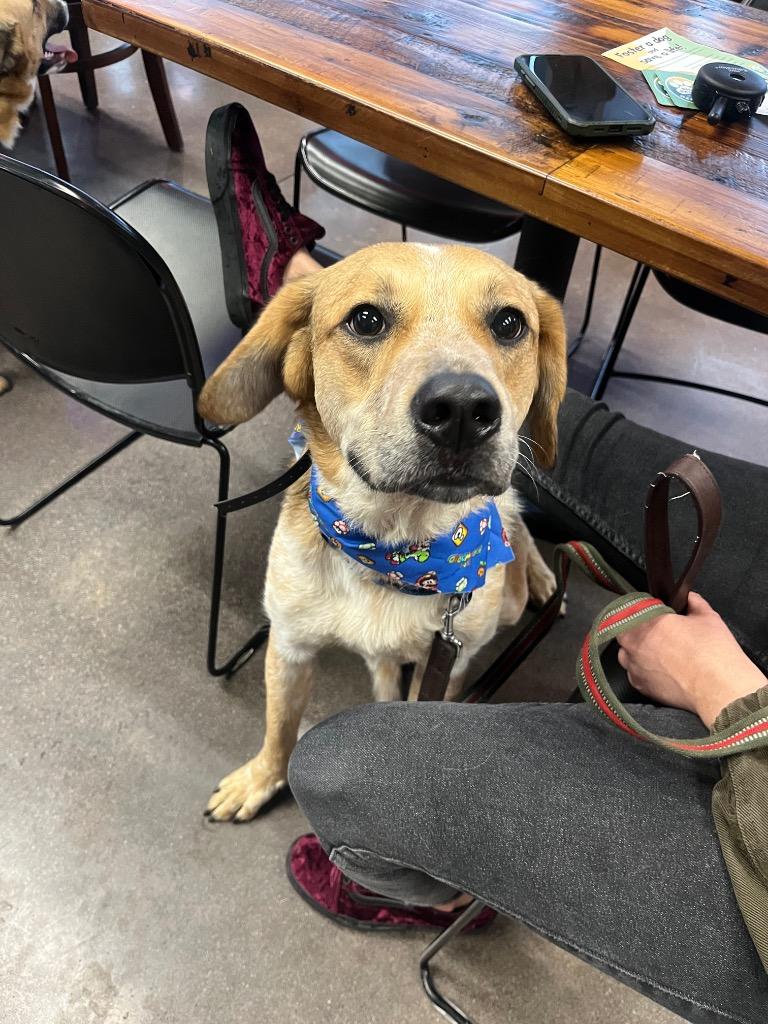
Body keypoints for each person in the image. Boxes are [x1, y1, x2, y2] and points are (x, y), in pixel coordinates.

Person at [205, 103, 768, 1024]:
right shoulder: (301, 512)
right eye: (369, 321)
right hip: (331, 543)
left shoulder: (483, 573)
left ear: (537, 370)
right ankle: (271, 764)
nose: (462, 393)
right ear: (296, 365)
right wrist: (274, 760)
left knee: (460, 644)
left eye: (504, 327)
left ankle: (307, 278)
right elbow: (288, 647)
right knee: (303, 657)